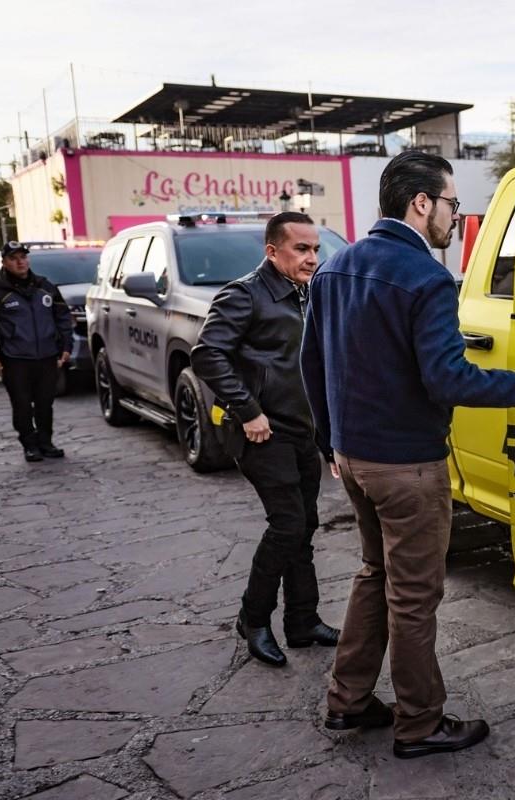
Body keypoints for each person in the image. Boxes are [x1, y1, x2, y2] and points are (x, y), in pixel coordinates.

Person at [302, 151, 515, 757]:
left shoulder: (335, 267)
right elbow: (449, 381)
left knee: (375, 575)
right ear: (420, 203)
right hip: (409, 468)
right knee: (414, 599)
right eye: (452, 203)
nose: (456, 214)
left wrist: (331, 443)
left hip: (356, 461)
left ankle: (347, 701)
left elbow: (311, 366)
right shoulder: (425, 278)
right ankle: (420, 723)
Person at [192, 212, 340, 668]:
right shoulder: (244, 294)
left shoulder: (309, 293)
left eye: (316, 249)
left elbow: (316, 367)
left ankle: (303, 621)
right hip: (262, 432)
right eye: (302, 249)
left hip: (302, 430)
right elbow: (207, 354)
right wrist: (248, 410)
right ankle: (253, 619)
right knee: (288, 525)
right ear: (273, 251)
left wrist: (329, 439)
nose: (312, 257)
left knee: (306, 525)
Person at [0, 242, 74, 462]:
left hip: (46, 355)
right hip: (15, 358)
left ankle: (46, 442)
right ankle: (29, 445)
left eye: (23, 257)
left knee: (44, 403)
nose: (20, 262)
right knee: (21, 404)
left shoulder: (44, 286)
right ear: (5, 263)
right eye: (14, 258)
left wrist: (66, 346)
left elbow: (62, 317)